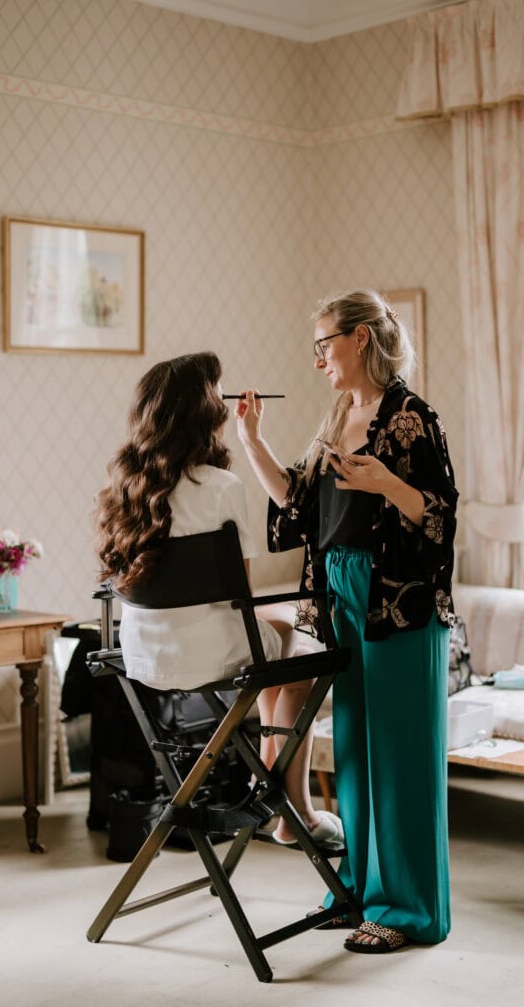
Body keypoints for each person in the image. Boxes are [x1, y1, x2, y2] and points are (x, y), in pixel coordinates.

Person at [235, 290, 458, 954]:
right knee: (356, 752)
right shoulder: (338, 412)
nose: (317, 360)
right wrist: (252, 440)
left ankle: (408, 910)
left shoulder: (412, 419)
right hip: (338, 592)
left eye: (323, 343)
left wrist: (385, 482)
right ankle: (359, 889)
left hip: (395, 598)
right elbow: (297, 507)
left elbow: (439, 515)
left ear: (361, 337)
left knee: (399, 757)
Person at [94, 351, 343, 850]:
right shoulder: (222, 487)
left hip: (142, 655)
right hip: (211, 654)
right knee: (303, 654)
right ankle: (293, 811)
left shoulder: (124, 486)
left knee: (284, 645)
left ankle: (287, 808)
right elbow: (241, 598)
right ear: (207, 413)